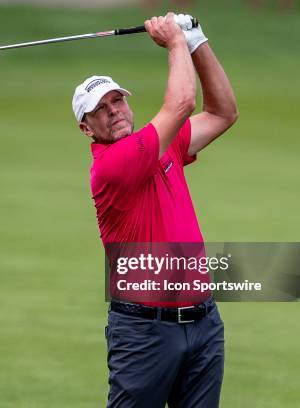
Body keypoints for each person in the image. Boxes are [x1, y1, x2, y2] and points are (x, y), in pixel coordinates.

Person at [71, 13, 238, 408]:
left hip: (203, 324)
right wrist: (175, 41)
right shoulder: (112, 165)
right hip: (145, 332)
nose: (114, 111)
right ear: (86, 127)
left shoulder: (161, 146)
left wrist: (197, 41)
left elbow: (222, 113)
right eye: (101, 109)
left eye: (117, 100)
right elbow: (182, 102)